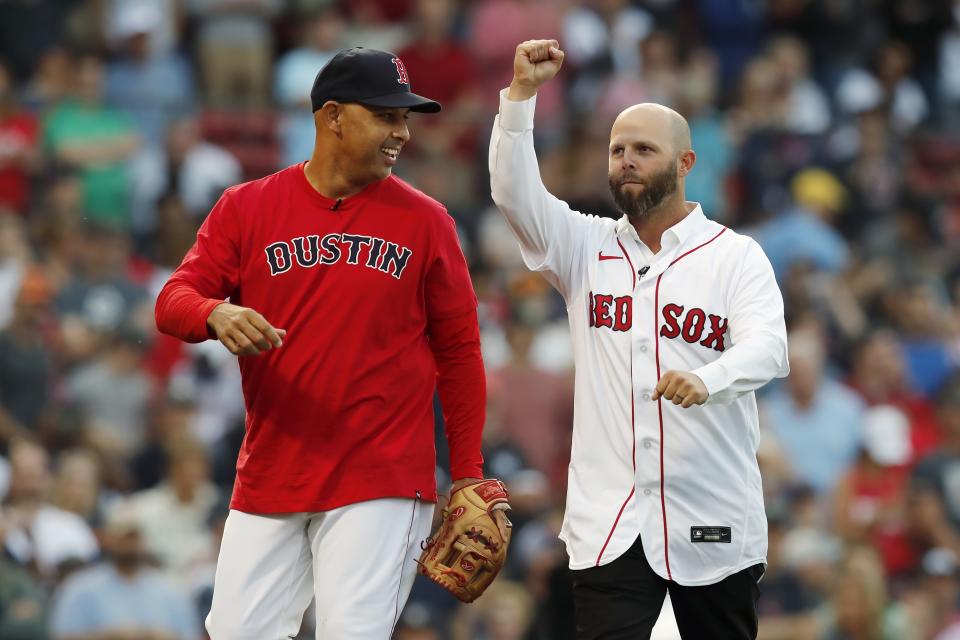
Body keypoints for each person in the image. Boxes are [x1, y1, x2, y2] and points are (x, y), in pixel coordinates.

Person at [155, 47, 488, 639]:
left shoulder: (427, 220)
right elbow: (172, 301)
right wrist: (215, 313)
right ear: (333, 116)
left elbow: (459, 353)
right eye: (387, 116)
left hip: (381, 473)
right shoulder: (247, 207)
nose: (403, 133)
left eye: (405, 119)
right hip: (275, 466)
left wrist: (467, 474)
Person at [490, 40, 789, 639]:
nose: (626, 160)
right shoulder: (585, 247)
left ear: (684, 165)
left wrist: (708, 379)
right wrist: (520, 96)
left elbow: (769, 349)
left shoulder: (734, 256)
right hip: (610, 523)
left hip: (711, 518)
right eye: (617, 149)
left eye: (644, 150)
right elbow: (515, 195)